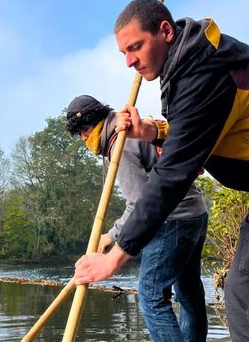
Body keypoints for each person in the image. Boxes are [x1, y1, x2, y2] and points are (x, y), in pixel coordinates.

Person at [74, 0, 249, 342]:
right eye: (124, 53)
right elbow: (197, 127)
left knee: (248, 293)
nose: (130, 61)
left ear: (165, 31)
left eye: (136, 47)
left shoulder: (203, 72)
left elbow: (171, 176)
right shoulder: (187, 67)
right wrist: (152, 132)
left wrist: (115, 257)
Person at [66, 94, 208, 342]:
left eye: (85, 130)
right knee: (188, 292)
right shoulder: (131, 132)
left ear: (99, 121)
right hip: (196, 213)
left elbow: (140, 206)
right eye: (79, 134)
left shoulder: (121, 146)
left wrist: (112, 238)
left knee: (150, 294)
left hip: (171, 221)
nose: (84, 138)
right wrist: (111, 235)